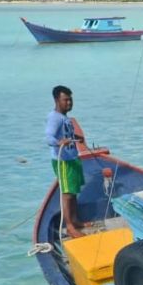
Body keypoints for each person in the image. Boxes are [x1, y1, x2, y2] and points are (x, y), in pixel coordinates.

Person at [45, 85, 85, 238]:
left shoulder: (64, 118)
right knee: (67, 193)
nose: (69, 103)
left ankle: (75, 220)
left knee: (73, 191)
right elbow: (49, 137)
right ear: (57, 100)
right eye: (65, 100)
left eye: (70, 99)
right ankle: (69, 227)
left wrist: (76, 137)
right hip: (63, 161)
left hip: (72, 158)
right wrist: (58, 142)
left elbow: (66, 133)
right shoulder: (54, 117)